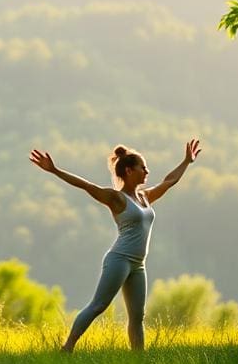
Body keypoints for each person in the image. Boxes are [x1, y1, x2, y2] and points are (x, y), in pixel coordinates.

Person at [29, 139, 201, 352]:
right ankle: (67, 347)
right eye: (143, 167)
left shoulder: (145, 197)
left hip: (139, 265)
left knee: (137, 317)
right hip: (119, 259)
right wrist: (54, 170)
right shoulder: (116, 198)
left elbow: (169, 180)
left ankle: (138, 361)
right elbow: (86, 185)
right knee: (98, 305)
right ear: (129, 171)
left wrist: (186, 161)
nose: (147, 171)